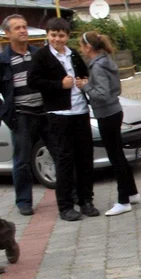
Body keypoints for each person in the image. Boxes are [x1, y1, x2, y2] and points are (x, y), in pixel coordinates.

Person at [28, 18, 100, 222]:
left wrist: (84, 81)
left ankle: (86, 200)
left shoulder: (74, 54)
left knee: (85, 158)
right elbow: (33, 81)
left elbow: (85, 74)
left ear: (68, 37)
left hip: (80, 112)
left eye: (61, 35)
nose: (57, 39)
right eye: (53, 35)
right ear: (47, 35)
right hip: (59, 115)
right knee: (64, 160)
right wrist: (59, 85)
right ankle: (65, 205)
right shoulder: (41, 56)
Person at [76, 31, 140, 216]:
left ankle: (123, 200)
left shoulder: (97, 67)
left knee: (115, 157)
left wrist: (85, 86)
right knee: (118, 152)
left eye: (82, 46)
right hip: (115, 111)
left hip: (106, 114)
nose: (81, 49)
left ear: (88, 47)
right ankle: (132, 192)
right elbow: (115, 88)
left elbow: (102, 94)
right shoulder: (107, 61)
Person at [0, 14, 51, 217]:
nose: (23, 30)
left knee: (58, 153)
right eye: (18, 28)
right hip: (21, 116)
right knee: (21, 161)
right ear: (7, 34)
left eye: (24, 26)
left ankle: (70, 195)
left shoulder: (38, 54)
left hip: (45, 113)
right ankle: (24, 201)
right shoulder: (3, 61)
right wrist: (6, 114)